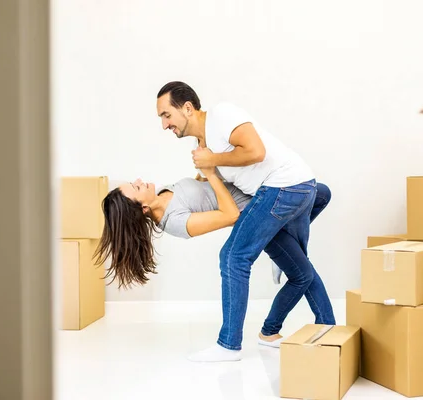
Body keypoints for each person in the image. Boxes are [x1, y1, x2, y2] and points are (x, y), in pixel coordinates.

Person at [156, 81, 335, 362]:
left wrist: (211, 160)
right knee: (301, 268)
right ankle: (330, 331)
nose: (164, 125)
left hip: (282, 188)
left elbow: (256, 151)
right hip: (301, 187)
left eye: (166, 115)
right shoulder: (201, 143)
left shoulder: (221, 116)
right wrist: (208, 170)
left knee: (233, 256)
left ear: (188, 108)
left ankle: (228, 345)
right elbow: (221, 177)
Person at [94, 169, 335, 358]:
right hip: (257, 217)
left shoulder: (163, 191)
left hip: (268, 198)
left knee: (320, 192)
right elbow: (230, 214)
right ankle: (326, 330)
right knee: (303, 273)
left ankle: (274, 316)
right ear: (143, 208)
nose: (139, 180)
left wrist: (206, 166)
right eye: (136, 187)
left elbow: (203, 189)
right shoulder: (175, 222)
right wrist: (210, 172)